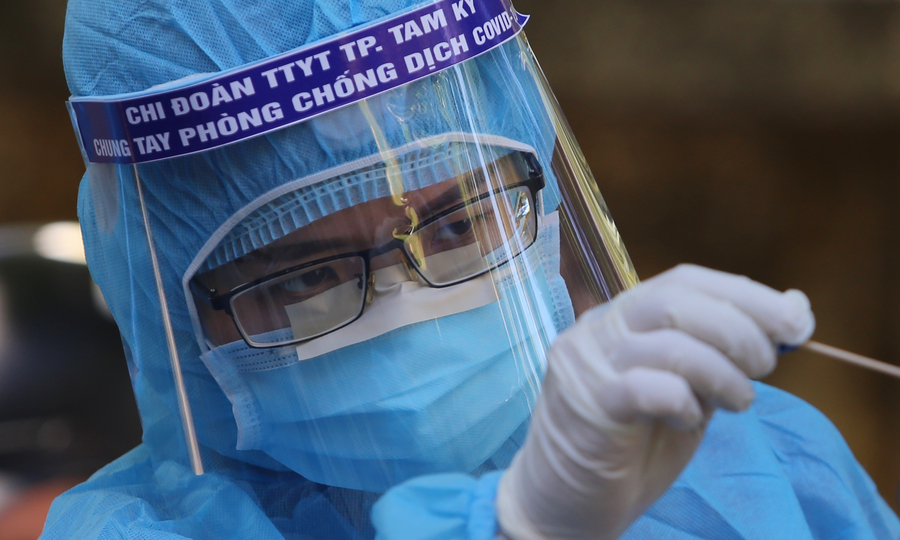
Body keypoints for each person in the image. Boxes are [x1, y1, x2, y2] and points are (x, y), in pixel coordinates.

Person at [42, 0, 899, 538]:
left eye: (459, 223)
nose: (411, 305)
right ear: (168, 307)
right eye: (304, 280)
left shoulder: (760, 473)